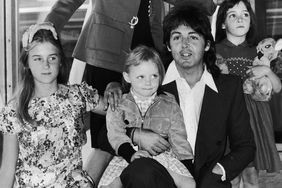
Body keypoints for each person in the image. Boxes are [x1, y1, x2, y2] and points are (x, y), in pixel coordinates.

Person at [21, 0, 218, 185]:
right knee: (105, 141)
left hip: (149, 50)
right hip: (106, 51)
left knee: (156, 129)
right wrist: (51, 22)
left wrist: (208, 3)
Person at [117, 3, 256, 188]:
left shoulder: (229, 87)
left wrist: (219, 171)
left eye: (193, 37)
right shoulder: (151, 82)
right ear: (168, 45)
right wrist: (136, 134)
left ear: (206, 44)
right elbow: (108, 129)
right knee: (140, 171)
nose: (185, 45)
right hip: (164, 175)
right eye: (177, 37)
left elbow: (245, 146)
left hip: (210, 178)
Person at [0, 29, 106, 187]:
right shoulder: (14, 110)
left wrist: (115, 86)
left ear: (61, 61)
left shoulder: (78, 95)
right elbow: (8, 168)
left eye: (52, 57)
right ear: (27, 63)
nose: (46, 65)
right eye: (37, 59)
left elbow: (121, 112)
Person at [98, 45, 195, 188]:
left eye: (154, 76)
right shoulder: (119, 103)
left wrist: (187, 165)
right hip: (126, 158)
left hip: (161, 158)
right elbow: (115, 133)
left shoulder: (169, 102)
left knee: (190, 184)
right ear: (127, 76)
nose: (148, 82)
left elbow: (179, 137)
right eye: (141, 76)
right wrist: (130, 154)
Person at [215, 0, 282, 187]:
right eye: (232, 15)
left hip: (255, 116)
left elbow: (277, 87)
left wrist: (267, 72)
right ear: (222, 23)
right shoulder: (214, 50)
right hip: (228, 116)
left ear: (251, 21)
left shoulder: (259, 52)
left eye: (245, 14)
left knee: (251, 173)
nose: (240, 19)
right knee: (231, 173)